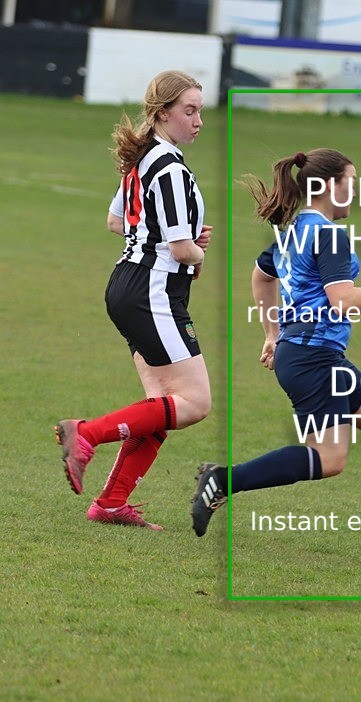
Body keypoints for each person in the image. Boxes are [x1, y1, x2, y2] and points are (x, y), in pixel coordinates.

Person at [189, 148, 361, 562]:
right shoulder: (328, 234)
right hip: (313, 358)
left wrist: (272, 334)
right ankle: (222, 480)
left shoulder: (296, 229)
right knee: (329, 459)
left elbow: (261, 277)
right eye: (352, 182)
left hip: (310, 352)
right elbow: (343, 300)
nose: (356, 191)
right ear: (331, 186)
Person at [55, 70, 213, 530]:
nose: (198, 119)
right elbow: (183, 249)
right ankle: (85, 434)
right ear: (162, 113)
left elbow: (114, 221)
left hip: (131, 285)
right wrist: (197, 250)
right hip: (152, 291)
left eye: (200, 109)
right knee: (195, 402)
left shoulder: (145, 160)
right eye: (189, 110)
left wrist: (170, 239)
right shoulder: (168, 166)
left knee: (159, 404)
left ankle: (111, 502)